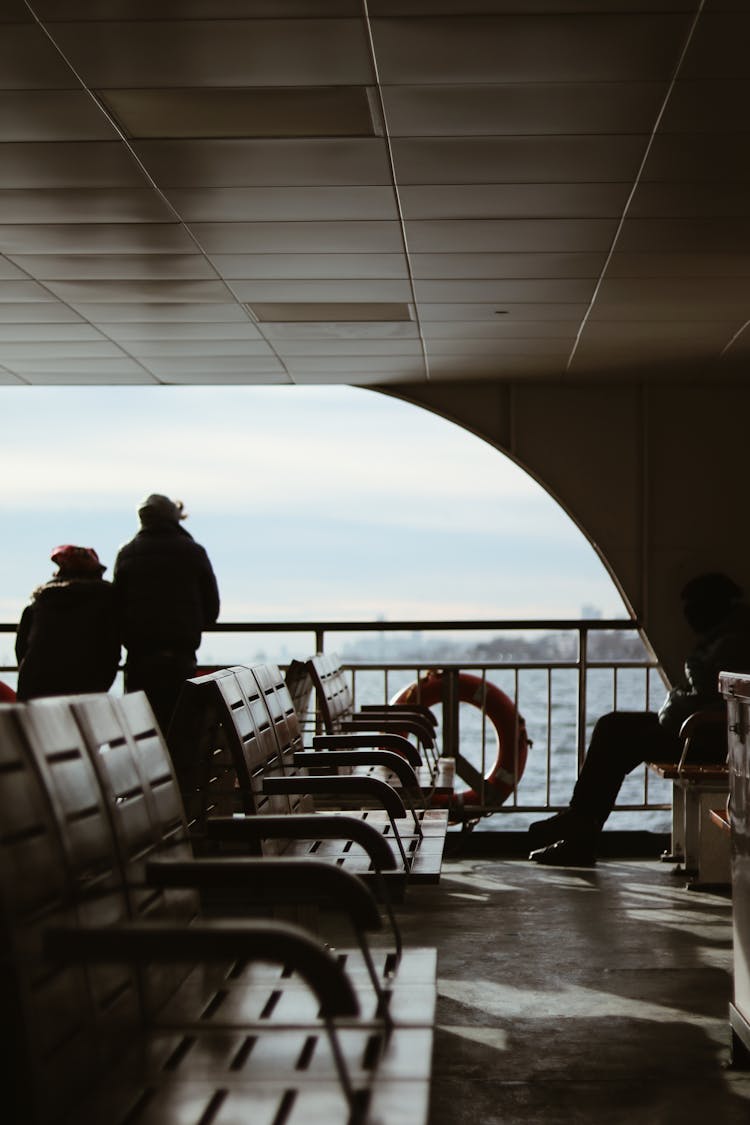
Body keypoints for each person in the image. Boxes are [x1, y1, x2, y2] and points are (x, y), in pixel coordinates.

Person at [528, 572, 750, 867]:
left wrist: (690, 673)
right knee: (612, 724)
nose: (687, 617)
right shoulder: (722, 636)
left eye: (692, 608)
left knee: (625, 743)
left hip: (710, 737)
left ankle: (580, 831)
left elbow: (705, 689)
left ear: (711, 606)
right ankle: (580, 821)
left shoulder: (732, 642)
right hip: (695, 727)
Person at [113, 493, 220, 732]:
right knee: (180, 728)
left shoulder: (127, 553)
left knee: (142, 730)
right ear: (173, 518)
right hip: (179, 658)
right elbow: (212, 610)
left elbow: (116, 607)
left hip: (139, 660)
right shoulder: (193, 551)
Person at [15, 545, 120, 701]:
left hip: (34, 690)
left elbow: (21, 648)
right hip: (87, 690)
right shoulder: (107, 602)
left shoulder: (40, 603)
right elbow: (112, 652)